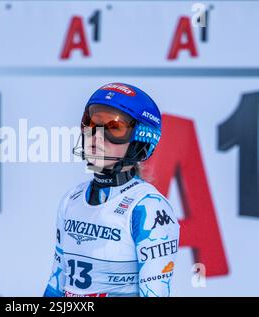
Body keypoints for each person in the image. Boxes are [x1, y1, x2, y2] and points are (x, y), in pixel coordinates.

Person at [43, 83, 180, 297]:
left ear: (140, 140)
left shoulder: (148, 207)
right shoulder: (72, 199)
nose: (96, 136)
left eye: (114, 128)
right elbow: (56, 283)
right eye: (91, 122)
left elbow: (155, 292)